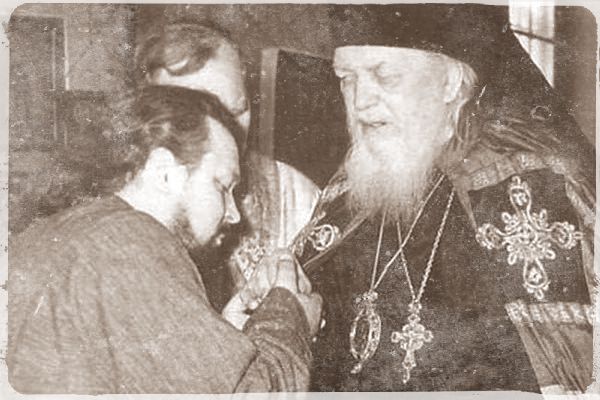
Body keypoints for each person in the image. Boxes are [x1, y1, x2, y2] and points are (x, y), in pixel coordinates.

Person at [290, 4, 595, 394]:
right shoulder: (347, 193)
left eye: (385, 75)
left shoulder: (532, 187)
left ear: (450, 84)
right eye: (346, 79)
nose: (360, 100)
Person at [7, 85, 322, 394]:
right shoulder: (130, 242)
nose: (233, 214)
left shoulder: (60, 233)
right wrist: (290, 315)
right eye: (223, 186)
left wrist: (225, 338)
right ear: (164, 171)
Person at [135, 20, 320, 308]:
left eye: (238, 110)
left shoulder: (294, 194)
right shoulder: (126, 209)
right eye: (201, 120)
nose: (230, 135)